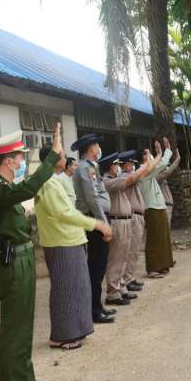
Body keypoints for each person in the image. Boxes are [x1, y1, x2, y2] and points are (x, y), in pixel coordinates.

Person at [0, 126, 62, 381]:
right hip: (11, 261)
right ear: (7, 161)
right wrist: (52, 157)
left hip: (23, 258)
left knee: (24, 323)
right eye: (19, 157)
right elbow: (28, 189)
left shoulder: (5, 189)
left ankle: (25, 378)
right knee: (13, 327)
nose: (22, 161)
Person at [34, 146, 114, 351]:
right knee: (65, 289)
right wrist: (95, 224)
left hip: (70, 239)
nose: (66, 158)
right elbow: (64, 213)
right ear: (53, 159)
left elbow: (70, 209)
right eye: (61, 155)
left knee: (78, 287)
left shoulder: (57, 179)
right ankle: (62, 335)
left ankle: (77, 329)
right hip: (60, 241)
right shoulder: (48, 182)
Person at [101, 149, 158, 304]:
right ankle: (113, 293)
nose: (118, 167)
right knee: (116, 259)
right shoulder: (108, 181)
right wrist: (147, 162)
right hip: (117, 221)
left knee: (124, 257)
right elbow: (133, 177)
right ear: (110, 166)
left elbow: (138, 175)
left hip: (125, 220)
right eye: (116, 165)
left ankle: (121, 288)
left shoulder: (116, 178)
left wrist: (149, 162)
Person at [72, 134, 117, 322]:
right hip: (94, 220)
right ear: (91, 148)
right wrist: (103, 223)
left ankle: (97, 306)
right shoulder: (85, 168)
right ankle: (93, 311)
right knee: (96, 266)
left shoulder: (91, 167)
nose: (99, 148)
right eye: (97, 145)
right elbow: (92, 198)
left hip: (97, 218)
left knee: (99, 265)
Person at [137, 139, 173, 278]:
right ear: (143, 158)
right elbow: (162, 164)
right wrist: (163, 152)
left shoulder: (148, 170)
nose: (150, 156)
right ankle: (152, 268)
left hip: (158, 206)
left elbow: (160, 165)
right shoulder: (143, 171)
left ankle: (162, 264)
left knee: (163, 237)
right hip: (151, 208)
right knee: (154, 238)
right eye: (148, 154)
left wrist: (162, 153)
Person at [122, 152, 146, 292]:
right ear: (125, 164)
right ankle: (127, 279)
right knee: (131, 251)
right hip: (133, 216)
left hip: (138, 216)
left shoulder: (131, 176)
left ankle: (130, 277)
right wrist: (148, 162)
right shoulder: (125, 177)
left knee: (135, 250)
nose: (132, 166)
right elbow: (144, 173)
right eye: (130, 163)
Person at [157, 143, 181, 224]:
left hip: (167, 207)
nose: (167, 167)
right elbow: (168, 172)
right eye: (165, 166)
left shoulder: (162, 178)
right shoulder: (158, 177)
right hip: (164, 207)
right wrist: (177, 160)